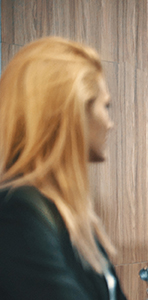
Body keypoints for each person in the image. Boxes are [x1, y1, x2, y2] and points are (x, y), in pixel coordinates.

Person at [0, 37, 126, 299]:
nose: (110, 123)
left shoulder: (71, 216)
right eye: (106, 106)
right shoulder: (18, 212)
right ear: (74, 113)